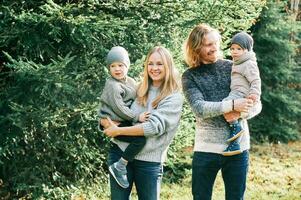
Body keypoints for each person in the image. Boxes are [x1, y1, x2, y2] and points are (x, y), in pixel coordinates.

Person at [182, 24, 262, 200]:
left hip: (238, 148)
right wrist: (232, 105)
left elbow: (256, 103)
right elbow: (200, 109)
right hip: (206, 149)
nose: (214, 48)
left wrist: (242, 113)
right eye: (208, 45)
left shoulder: (234, 66)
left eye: (215, 43)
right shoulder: (190, 76)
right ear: (196, 48)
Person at [101, 46, 183, 200]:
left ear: (168, 66)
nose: (154, 68)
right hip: (120, 153)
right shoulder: (138, 88)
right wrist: (104, 122)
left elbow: (152, 127)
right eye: (150, 64)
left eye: (159, 64)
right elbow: (113, 109)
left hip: (149, 162)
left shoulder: (173, 97)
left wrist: (118, 131)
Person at [98, 46, 150, 188]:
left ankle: (122, 164)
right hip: (112, 121)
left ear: (127, 65)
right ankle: (120, 166)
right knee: (139, 140)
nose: (117, 69)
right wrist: (136, 117)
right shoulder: (113, 85)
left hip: (120, 121)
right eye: (112, 66)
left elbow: (137, 92)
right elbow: (118, 108)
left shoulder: (130, 82)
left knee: (138, 137)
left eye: (120, 65)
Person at [222, 31, 261, 156]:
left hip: (241, 93)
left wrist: (255, 94)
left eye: (239, 48)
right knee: (230, 112)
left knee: (225, 104)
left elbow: (255, 80)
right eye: (232, 48)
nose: (234, 51)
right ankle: (235, 143)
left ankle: (236, 128)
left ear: (247, 50)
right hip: (236, 92)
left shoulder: (248, 63)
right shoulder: (237, 63)